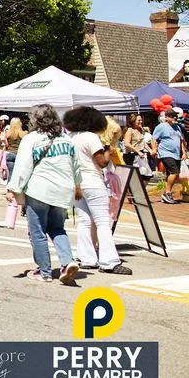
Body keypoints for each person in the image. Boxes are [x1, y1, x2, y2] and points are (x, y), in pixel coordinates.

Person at [6, 104, 81, 284]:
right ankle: (67, 261)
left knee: (37, 231)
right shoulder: (67, 140)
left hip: (39, 189)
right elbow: (76, 166)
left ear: (35, 120)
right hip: (63, 190)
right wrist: (78, 185)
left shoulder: (32, 139)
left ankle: (44, 271)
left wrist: (13, 188)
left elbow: (23, 167)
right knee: (57, 228)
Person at [64, 106, 131, 275]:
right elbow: (101, 162)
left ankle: (87, 258)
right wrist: (108, 149)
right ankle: (109, 261)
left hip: (76, 183)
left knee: (84, 222)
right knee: (102, 222)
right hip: (93, 181)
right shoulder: (91, 137)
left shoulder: (69, 137)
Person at [153, 110, 183, 204]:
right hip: (166, 153)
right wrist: (154, 150)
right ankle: (167, 193)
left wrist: (184, 152)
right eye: (172, 116)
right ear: (166, 117)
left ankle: (165, 194)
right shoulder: (161, 126)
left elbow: (180, 140)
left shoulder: (177, 127)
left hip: (176, 154)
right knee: (174, 172)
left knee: (175, 174)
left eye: (176, 116)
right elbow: (154, 139)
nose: (175, 118)